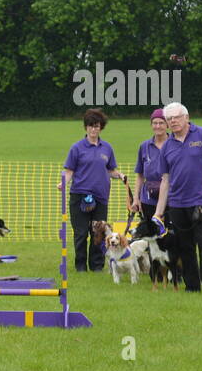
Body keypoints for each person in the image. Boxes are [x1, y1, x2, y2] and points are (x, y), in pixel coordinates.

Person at [153, 102, 202, 293]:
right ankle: (192, 288)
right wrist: (158, 212)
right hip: (179, 203)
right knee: (185, 247)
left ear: (186, 118)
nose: (173, 121)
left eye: (177, 117)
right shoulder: (167, 146)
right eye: (169, 119)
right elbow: (165, 181)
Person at [62, 108, 126, 272]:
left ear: (101, 127)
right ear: (85, 127)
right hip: (80, 196)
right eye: (90, 126)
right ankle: (81, 266)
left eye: (96, 126)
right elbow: (69, 171)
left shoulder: (107, 148)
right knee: (81, 233)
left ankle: (97, 266)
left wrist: (119, 175)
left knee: (98, 233)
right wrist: (63, 183)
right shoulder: (77, 148)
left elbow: (110, 170)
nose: (93, 129)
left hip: (101, 197)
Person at [131, 108, 170, 223]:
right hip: (148, 199)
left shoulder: (174, 144)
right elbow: (140, 175)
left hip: (171, 198)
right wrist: (136, 198)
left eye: (161, 123)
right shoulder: (144, 146)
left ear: (167, 124)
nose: (158, 126)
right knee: (149, 235)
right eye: (155, 123)